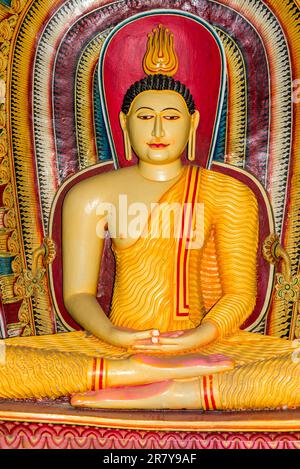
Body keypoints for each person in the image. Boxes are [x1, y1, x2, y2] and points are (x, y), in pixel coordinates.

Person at [0, 25, 298, 410]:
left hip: (206, 348)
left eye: (171, 117)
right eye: (144, 117)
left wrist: (197, 337)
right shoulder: (91, 196)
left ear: (193, 123)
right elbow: (78, 294)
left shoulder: (228, 193)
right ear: (124, 124)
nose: (158, 130)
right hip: (114, 344)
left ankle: (178, 390)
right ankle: (134, 375)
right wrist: (113, 334)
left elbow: (239, 294)